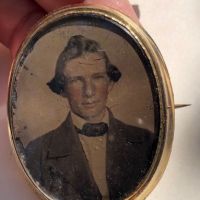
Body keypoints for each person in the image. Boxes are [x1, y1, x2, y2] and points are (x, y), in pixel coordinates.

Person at [25, 34, 154, 200]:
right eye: (77, 80)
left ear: (110, 83)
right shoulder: (37, 153)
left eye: (97, 78)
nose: (89, 92)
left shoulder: (146, 142)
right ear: (62, 89)